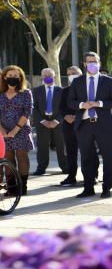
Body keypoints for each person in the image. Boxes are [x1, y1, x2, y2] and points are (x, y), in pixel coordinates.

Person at [66, 52, 112, 199]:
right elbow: (70, 102)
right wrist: (83, 104)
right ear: (84, 64)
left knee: (108, 157)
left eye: (94, 61)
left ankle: (106, 188)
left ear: (99, 63)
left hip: (104, 125)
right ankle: (88, 187)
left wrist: (99, 103)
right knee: (86, 158)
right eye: (89, 62)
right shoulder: (77, 82)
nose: (92, 64)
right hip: (84, 125)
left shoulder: (109, 81)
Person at [1, 66, 34, 195]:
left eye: (16, 76)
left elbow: (27, 112)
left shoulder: (26, 93)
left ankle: (22, 187)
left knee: (22, 157)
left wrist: (15, 130)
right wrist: (2, 130)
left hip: (21, 130)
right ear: (4, 77)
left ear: (20, 78)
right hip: (3, 131)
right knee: (8, 160)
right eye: (10, 75)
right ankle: (11, 187)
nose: (13, 78)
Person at [30, 68, 67, 176]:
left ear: (54, 77)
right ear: (41, 77)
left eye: (50, 75)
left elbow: (64, 107)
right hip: (42, 122)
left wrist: (57, 120)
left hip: (58, 122)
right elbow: (34, 107)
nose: (47, 77)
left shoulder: (61, 91)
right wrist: (42, 120)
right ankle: (41, 168)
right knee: (42, 146)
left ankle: (65, 167)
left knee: (61, 146)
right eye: (45, 75)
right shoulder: (36, 91)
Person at [58, 66, 82, 187]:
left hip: (84, 124)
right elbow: (61, 106)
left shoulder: (86, 89)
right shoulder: (65, 90)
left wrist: (77, 117)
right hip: (68, 125)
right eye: (69, 74)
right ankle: (71, 176)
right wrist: (66, 116)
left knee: (87, 152)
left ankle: (92, 176)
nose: (71, 75)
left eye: (74, 73)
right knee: (71, 152)